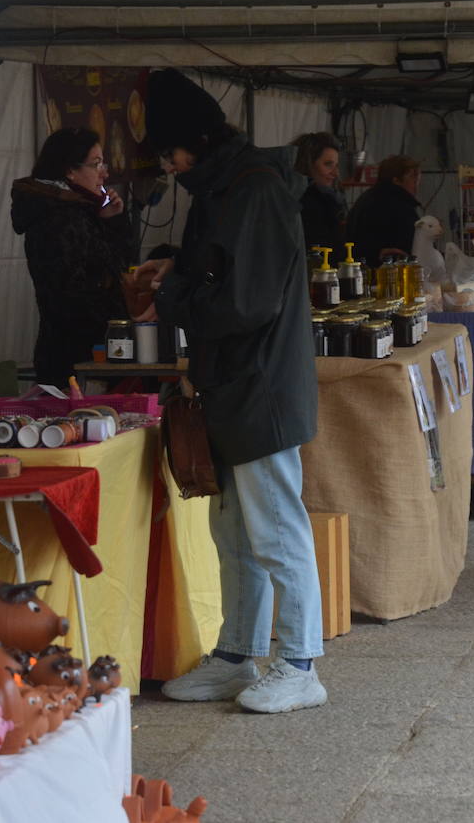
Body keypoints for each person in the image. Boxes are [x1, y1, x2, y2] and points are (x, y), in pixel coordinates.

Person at [133, 69, 325, 714]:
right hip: (231, 382)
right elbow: (221, 267)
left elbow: (245, 301)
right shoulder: (225, 188)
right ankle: (238, 655)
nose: (168, 165)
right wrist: (175, 264)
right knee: (233, 531)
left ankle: (300, 664)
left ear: (195, 141)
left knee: (276, 527)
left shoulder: (255, 190)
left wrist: (173, 293)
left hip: (260, 384)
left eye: (168, 152)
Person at [11, 127, 131, 387]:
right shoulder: (58, 218)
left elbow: (115, 266)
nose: (105, 173)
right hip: (75, 359)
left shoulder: (79, 211)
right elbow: (69, 294)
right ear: (69, 171)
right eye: (96, 164)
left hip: (88, 353)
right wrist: (115, 328)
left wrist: (110, 221)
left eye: (103, 163)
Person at [346, 154, 422, 266]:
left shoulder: (368, 197)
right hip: (387, 273)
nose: (416, 181)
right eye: (411, 176)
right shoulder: (398, 205)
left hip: (361, 270)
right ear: (396, 180)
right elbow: (414, 245)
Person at [292, 132, 347, 256]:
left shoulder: (328, 198)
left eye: (336, 166)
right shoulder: (303, 202)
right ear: (307, 164)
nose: (335, 173)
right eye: (328, 164)